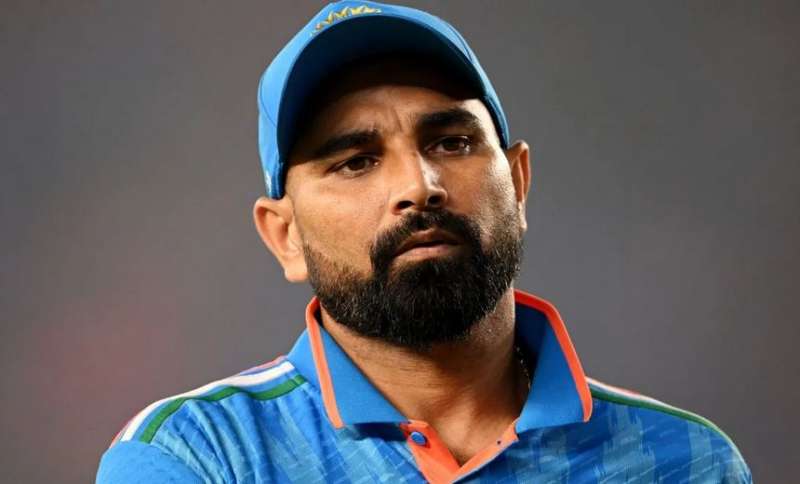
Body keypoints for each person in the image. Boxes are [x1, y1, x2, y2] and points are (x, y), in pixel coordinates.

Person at [96, 1, 752, 482]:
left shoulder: (689, 462)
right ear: (285, 236)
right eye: (355, 161)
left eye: (452, 142)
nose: (419, 186)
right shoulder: (197, 457)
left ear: (518, 184)